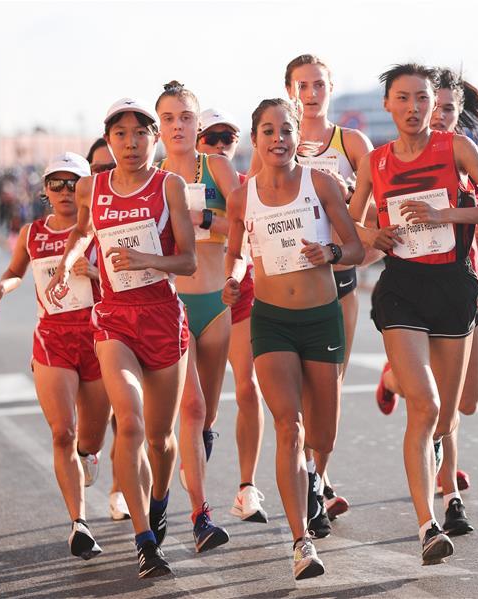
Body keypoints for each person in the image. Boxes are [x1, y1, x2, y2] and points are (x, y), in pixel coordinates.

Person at [349, 64, 478, 566]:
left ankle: (397, 379)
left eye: (428, 100)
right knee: (426, 408)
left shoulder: (461, 150)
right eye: (407, 98)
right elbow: (353, 225)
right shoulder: (375, 162)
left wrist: (448, 215)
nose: (420, 109)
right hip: (402, 287)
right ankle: (431, 521)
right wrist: (369, 236)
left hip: (457, 285)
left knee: (454, 409)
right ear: (389, 105)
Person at [44, 98, 197, 579]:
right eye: (120, 135)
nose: (130, 143)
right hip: (114, 319)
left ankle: (160, 500)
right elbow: (83, 233)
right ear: (108, 140)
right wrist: (69, 261)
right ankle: (144, 540)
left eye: (139, 134)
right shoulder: (93, 186)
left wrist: (149, 261)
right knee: (127, 424)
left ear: (153, 139)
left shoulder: (169, 185)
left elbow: (189, 260)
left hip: (162, 315)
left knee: (160, 438)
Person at [223, 98, 363, 580]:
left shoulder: (319, 183)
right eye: (268, 130)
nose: (278, 138)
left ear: (295, 135)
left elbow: (356, 248)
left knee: (323, 435)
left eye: (286, 130)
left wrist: (329, 251)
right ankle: (301, 541)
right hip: (272, 322)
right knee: (289, 425)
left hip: (321, 319)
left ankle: (315, 478)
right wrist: (234, 278)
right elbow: (237, 254)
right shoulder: (243, 197)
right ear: (256, 139)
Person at [0, 152, 111, 562]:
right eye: (58, 183)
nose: (66, 191)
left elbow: (126, 279)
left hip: (99, 338)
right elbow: (16, 270)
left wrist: (96, 274)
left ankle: (88, 457)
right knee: (62, 434)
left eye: (75, 183)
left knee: (88, 439)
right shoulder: (32, 233)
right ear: (45, 191)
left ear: (87, 188)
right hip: (52, 340)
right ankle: (79, 524)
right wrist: (0, 289)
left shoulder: (100, 229)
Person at [284, 54, 376, 533]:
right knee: (299, 393)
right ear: (289, 90)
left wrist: (346, 199)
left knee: (330, 386)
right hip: (291, 277)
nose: (311, 93)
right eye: (302, 85)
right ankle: (312, 484)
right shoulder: (278, 140)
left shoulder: (351, 142)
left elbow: (376, 195)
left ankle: (318, 478)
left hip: (339, 275)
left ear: (330, 88)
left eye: (318, 84)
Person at [153, 81, 239, 542]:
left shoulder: (218, 168)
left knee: (206, 421)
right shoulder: (152, 177)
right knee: (191, 406)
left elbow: (247, 223)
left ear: (197, 121)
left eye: (185, 117)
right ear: (159, 127)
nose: (178, 126)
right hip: (173, 306)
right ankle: (200, 516)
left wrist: (205, 218)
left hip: (215, 303)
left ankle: (170, 488)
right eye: (168, 119)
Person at [195, 108, 270, 524]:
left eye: (231, 137)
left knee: (248, 388)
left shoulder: (241, 184)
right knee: (200, 409)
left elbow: (249, 226)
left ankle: (246, 487)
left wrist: (208, 218)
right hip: (194, 296)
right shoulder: (173, 177)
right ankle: (191, 494)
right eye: (214, 137)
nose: (223, 145)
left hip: (238, 292)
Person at [84, 137, 128, 522]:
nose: (106, 174)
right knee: (94, 425)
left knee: (128, 418)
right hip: (82, 337)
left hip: (124, 331)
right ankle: (87, 449)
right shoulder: (80, 228)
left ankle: (119, 489)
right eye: (98, 169)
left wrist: (98, 272)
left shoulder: (132, 219)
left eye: (110, 167)